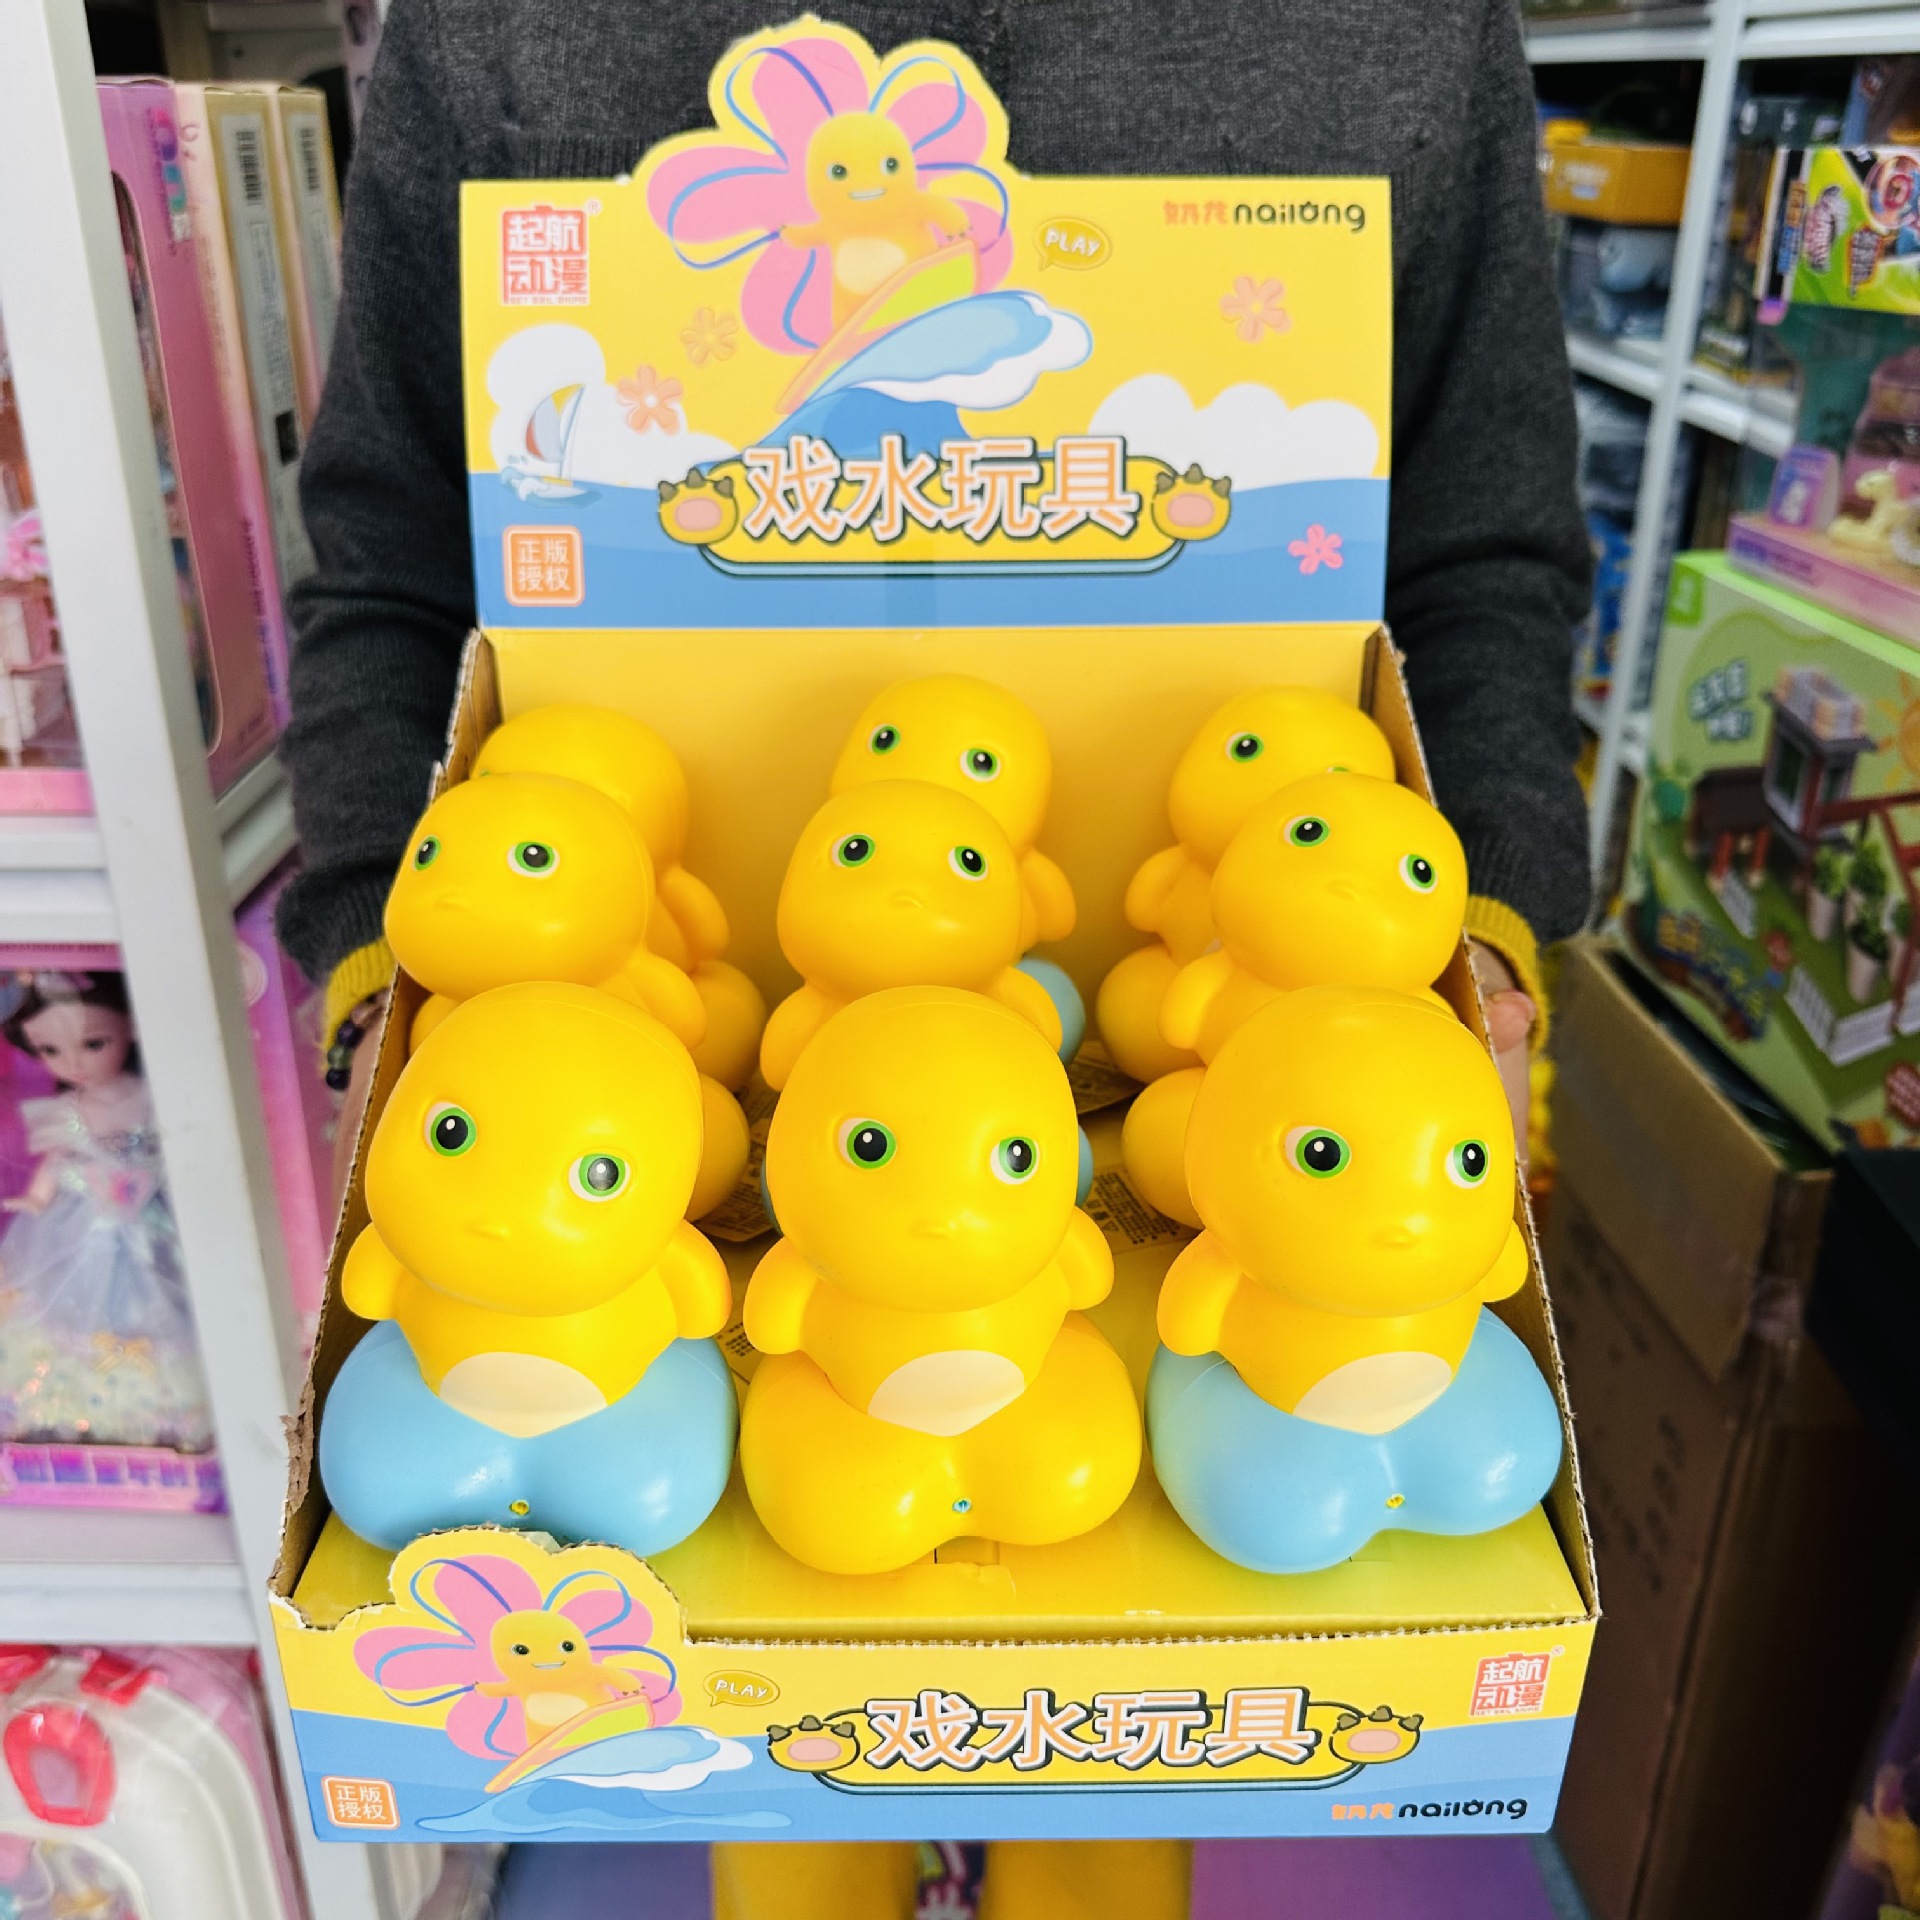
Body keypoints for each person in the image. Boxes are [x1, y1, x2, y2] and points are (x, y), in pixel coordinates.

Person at [278, 3, 1589, 1911]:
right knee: (776, 1793)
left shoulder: (1391, 30)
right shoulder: (510, 31)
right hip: (673, 1178)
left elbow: (1478, 553)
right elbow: (397, 560)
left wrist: (1467, 953)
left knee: (1108, 1792)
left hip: (1234, 1147)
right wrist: (392, 988)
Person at [0, 972, 211, 1451]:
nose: (72, 1064)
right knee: (70, 1302)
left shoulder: (150, 1096)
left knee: (163, 1292)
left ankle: (168, 1405)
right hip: (83, 1222)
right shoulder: (65, 1110)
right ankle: (78, 1402)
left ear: (132, 1027)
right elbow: (56, 1161)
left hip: (152, 1216)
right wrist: (36, 1199)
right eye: (49, 1050)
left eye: (94, 1044)